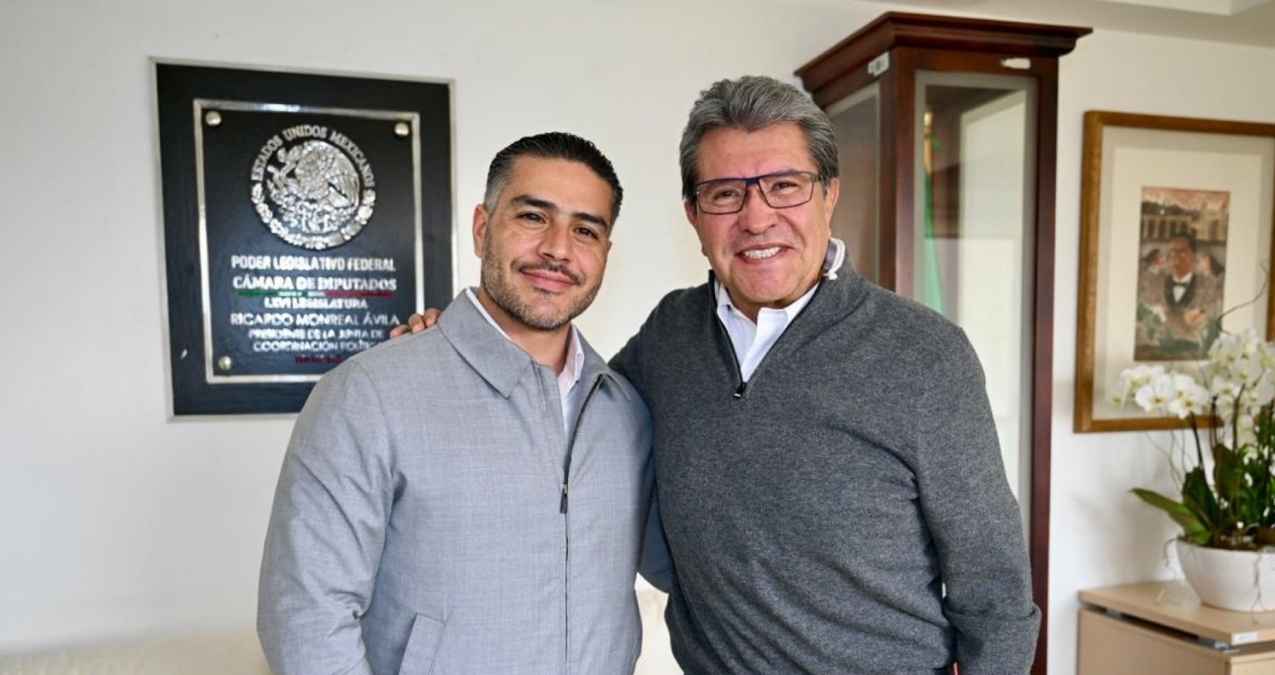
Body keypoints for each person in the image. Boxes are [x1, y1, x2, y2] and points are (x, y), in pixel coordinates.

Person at [398, 76, 1039, 673]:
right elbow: (566, 406)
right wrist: (454, 346)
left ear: (829, 195)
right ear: (694, 214)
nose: (757, 218)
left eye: (784, 185)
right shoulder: (671, 334)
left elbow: (995, 588)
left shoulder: (924, 356)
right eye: (726, 193)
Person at [258, 132, 669, 675]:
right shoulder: (370, 394)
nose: (558, 249)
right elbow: (306, 620)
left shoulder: (624, 412)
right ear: (482, 228)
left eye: (585, 230)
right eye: (533, 217)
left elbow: (686, 564)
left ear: (605, 254)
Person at [1135, 232, 1223, 360]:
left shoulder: (1209, 286)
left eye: (1181, 251)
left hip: (1194, 358)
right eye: (1171, 252)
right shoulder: (1154, 284)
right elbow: (1146, 323)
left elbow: (1208, 324)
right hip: (1156, 354)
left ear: (1194, 256)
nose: (1175, 256)